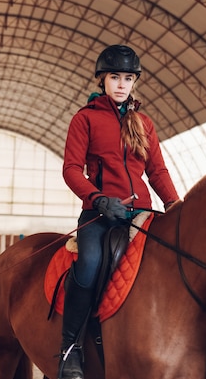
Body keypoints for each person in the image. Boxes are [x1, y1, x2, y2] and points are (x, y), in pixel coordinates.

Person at [59, 44, 181, 379]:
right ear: (102, 79)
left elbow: (157, 171)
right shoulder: (85, 119)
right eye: (115, 77)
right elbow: (71, 169)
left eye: (128, 78)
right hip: (100, 214)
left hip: (142, 212)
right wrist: (98, 199)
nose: (121, 84)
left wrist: (174, 204)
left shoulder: (144, 123)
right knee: (89, 266)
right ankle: (70, 349)